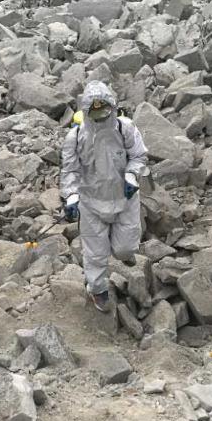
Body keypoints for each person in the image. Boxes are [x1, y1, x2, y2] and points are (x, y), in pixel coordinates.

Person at [60, 82, 148, 313]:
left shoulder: (125, 128)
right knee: (96, 255)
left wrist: (132, 175)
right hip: (91, 203)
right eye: (95, 111)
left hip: (125, 198)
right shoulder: (75, 137)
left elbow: (139, 156)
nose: (100, 116)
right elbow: (70, 171)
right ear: (86, 111)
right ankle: (97, 289)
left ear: (112, 107)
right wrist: (71, 196)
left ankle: (123, 252)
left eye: (104, 110)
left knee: (126, 248)